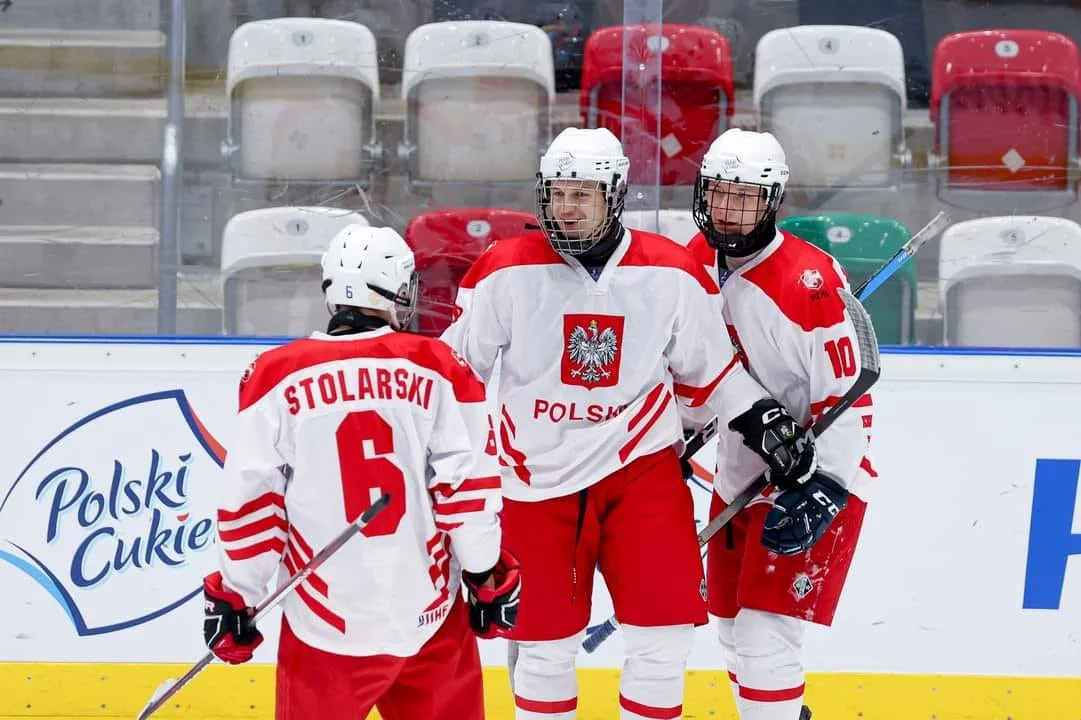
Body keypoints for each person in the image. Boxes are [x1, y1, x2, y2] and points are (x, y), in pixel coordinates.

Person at [441, 126, 818, 720]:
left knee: (663, 642)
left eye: (582, 193)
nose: (566, 206)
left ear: (614, 194)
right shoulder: (501, 272)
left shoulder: (670, 273)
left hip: (641, 475)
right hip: (534, 481)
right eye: (557, 193)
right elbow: (454, 376)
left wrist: (762, 417)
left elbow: (714, 373)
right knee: (543, 650)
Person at [201, 224, 522, 720]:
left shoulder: (274, 375)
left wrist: (237, 594)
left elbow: (252, 503)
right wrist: (484, 574)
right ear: (397, 290)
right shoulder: (439, 366)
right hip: (429, 618)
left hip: (324, 624)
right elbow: (467, 490)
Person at [686, 128, 876, 720]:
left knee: (766, 636)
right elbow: (685, 368)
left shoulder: (810, 284)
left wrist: (826, 488)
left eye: (745, 197)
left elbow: (850, 400)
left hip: (813, 475)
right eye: (719, 193)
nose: (729, 209)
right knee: (730, 629)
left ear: (772, 201)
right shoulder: (690, 261)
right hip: (736, 477)